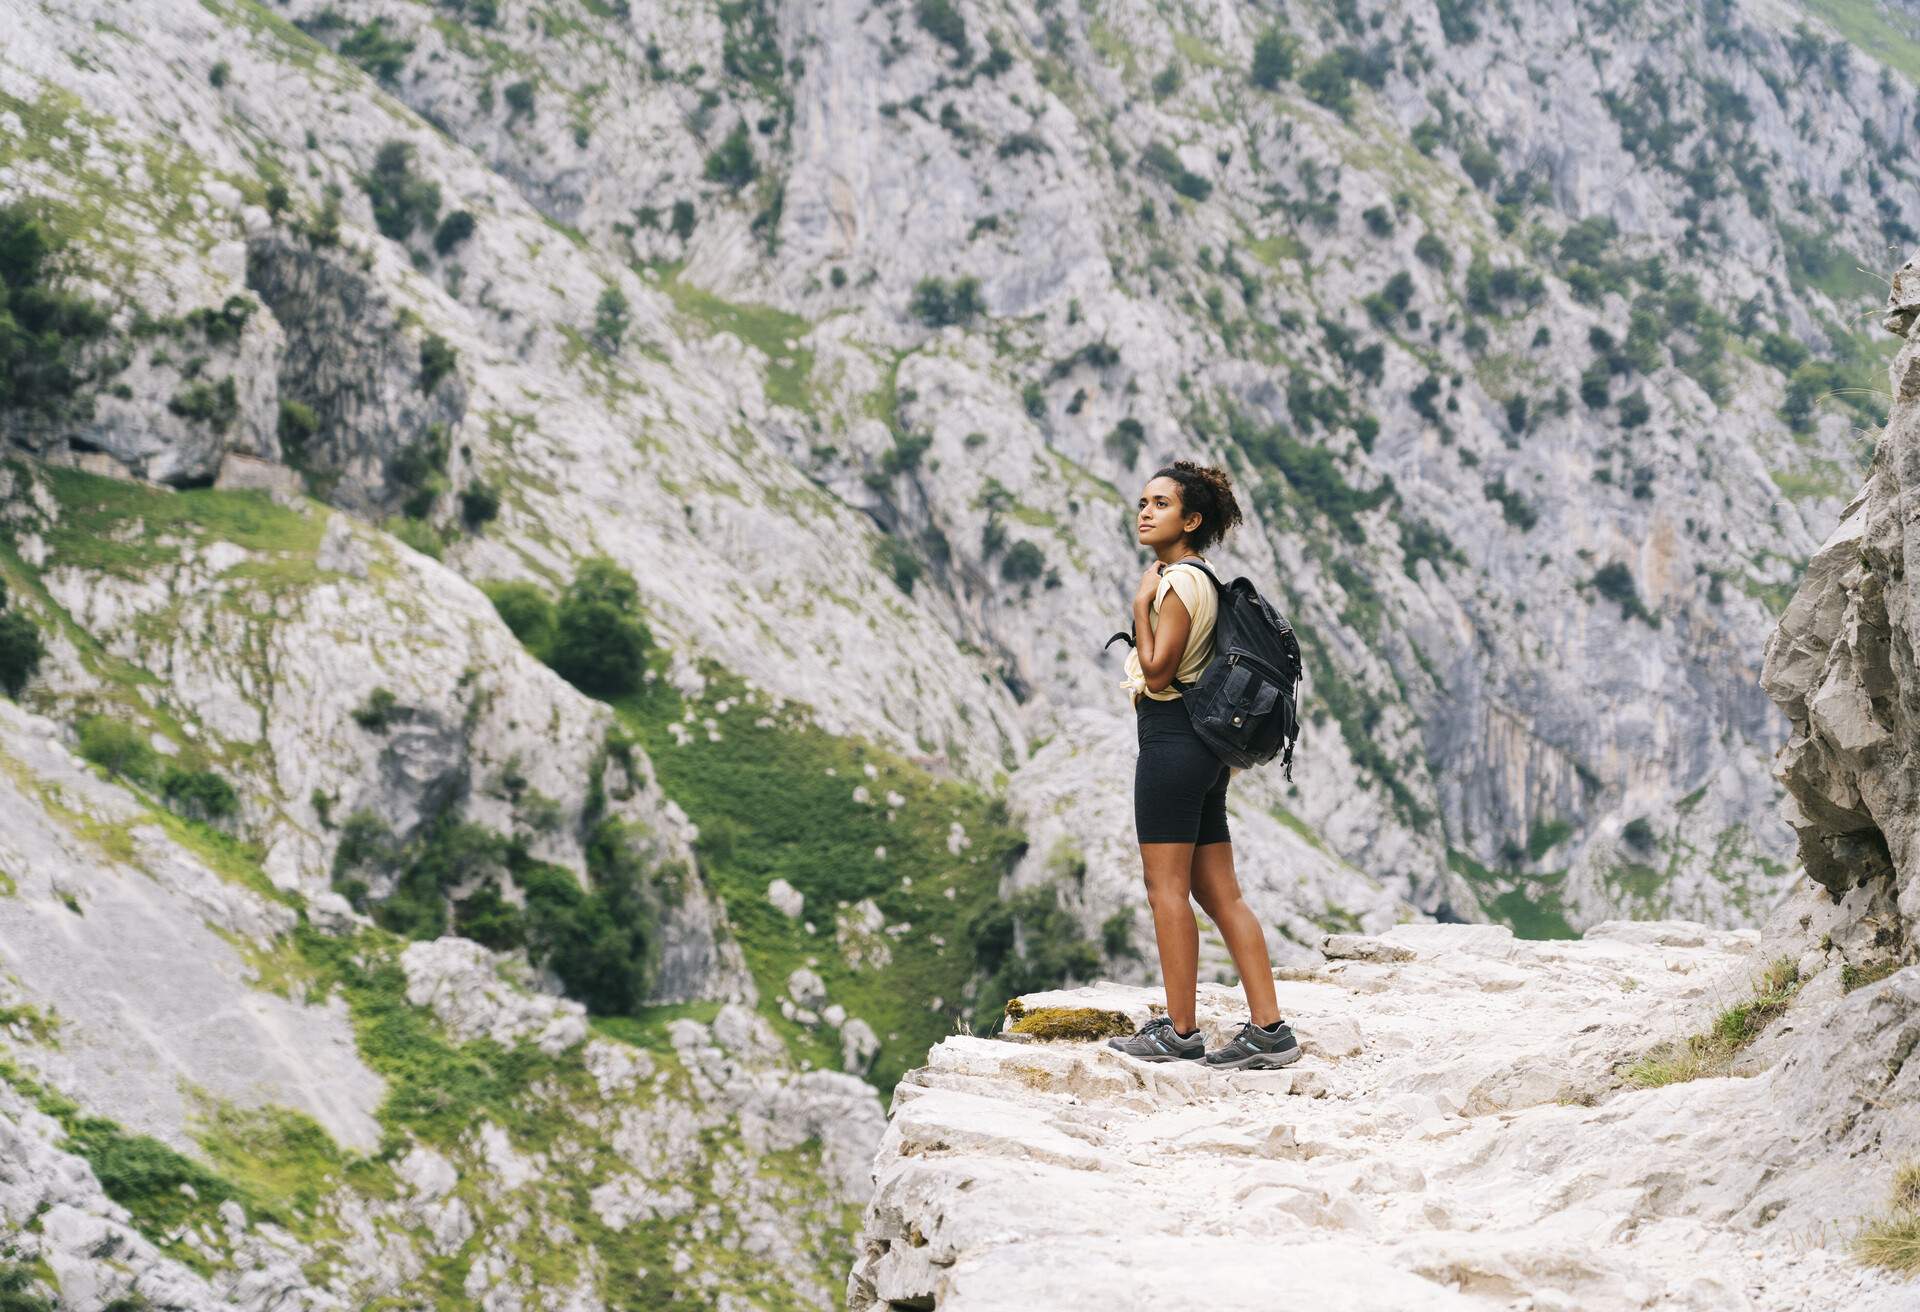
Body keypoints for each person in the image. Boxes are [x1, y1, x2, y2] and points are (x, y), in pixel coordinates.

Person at [1106, 460, 1302, 1071]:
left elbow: (1159, 670)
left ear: (1191, 520)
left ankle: (1180, 1031)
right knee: (1221, 895)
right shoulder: (1202, 579)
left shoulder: (1175, 584)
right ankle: (1270, 1029)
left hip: (1171, 742)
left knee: (1164, 890)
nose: (1145, 511)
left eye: (1160, 504)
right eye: (1143, 502)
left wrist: (1140, 604)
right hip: (1204, 752)